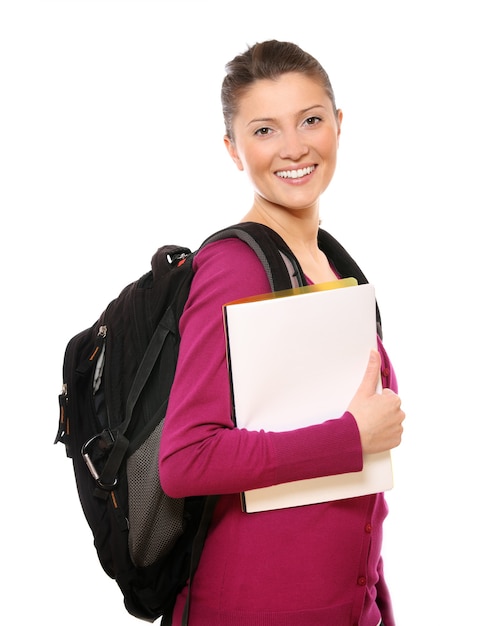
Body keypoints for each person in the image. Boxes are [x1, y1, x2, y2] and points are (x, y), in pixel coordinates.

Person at [159, 39, 405, 626]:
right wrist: (349, 437)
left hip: (342, 602)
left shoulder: (335, 265)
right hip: (255, 606)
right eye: (265, 130)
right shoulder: (234, 267)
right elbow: (186, 459)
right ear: (233, 149)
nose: (294, 148)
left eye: (311, 120)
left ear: (339, 126)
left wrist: (372, 601)